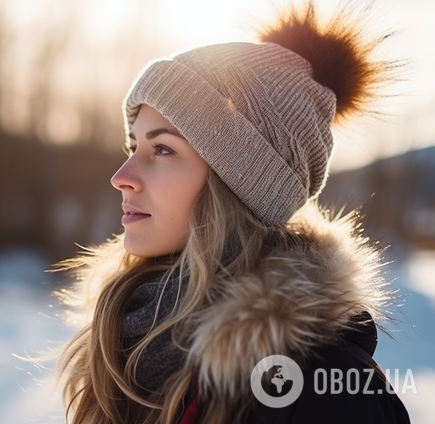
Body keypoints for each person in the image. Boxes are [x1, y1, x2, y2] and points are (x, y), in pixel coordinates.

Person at [54, 2, 411, 423]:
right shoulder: (129, 342)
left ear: (239, 184)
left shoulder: (325, 388)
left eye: (163, 149)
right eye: (134, 146)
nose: (122, 176)